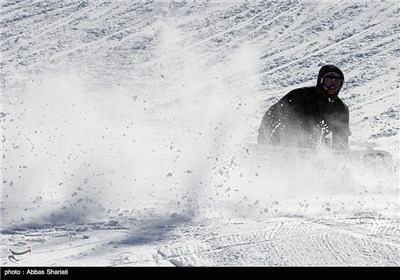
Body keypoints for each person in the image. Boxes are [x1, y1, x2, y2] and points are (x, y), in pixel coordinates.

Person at [257, 64, 351, 149]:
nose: (332, 87)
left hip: (314, 147)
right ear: (321, 81)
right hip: (284, 142)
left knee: (325, 145)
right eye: (328, 82)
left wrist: (340, 154)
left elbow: (341, 137)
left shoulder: (340, 108)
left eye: (336, 83)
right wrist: (264, 138)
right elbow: (273, 114)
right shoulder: (300, 95)